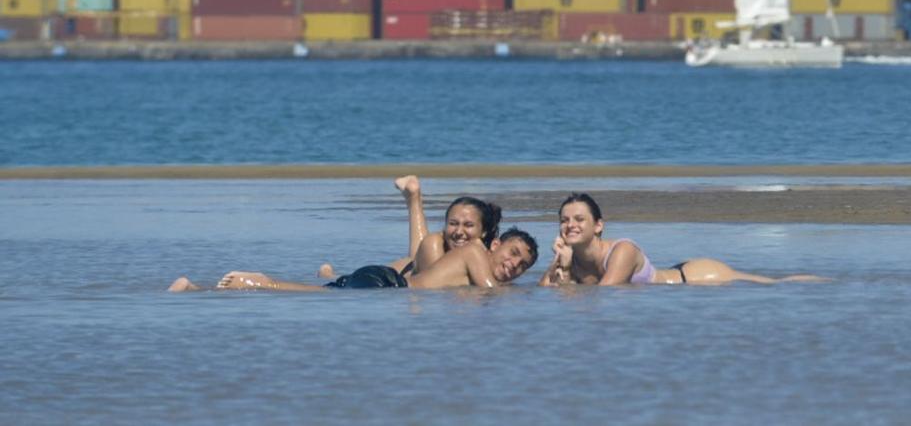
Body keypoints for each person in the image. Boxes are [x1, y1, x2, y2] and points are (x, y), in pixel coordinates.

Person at [540, 192, 817, 286]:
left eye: (579, 219)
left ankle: (823, 281)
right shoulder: (570, 258)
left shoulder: (622, 250)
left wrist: (564, 276)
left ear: (598, 225)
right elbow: (544, 293)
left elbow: (605, 291)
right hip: (677, 273)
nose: (570, 225)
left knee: (776, 284)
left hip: (696, 278)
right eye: (564, 220)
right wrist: (560, 264)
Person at [168, 228, 539, 292]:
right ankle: (258, 282)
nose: (514, 265)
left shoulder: (475, 267)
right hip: (386, 286)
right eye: (513, 253)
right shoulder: (475, 252)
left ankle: (194, 289)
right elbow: (491, 292)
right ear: (495, 244)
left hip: (382, 285)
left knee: (321, 291)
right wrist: (537, 289)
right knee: (317, 294)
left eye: (523, 265)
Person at [314, 175, 500, 281]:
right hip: (386, 275)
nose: (459, 232)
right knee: (338, 280)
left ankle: (413, 197)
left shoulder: (483, 253)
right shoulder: (435, 243)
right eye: (453, 224)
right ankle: (328, 274)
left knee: (416, 255)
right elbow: (436, 287)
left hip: (412, 263)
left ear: (483, 231)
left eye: (468, 225)